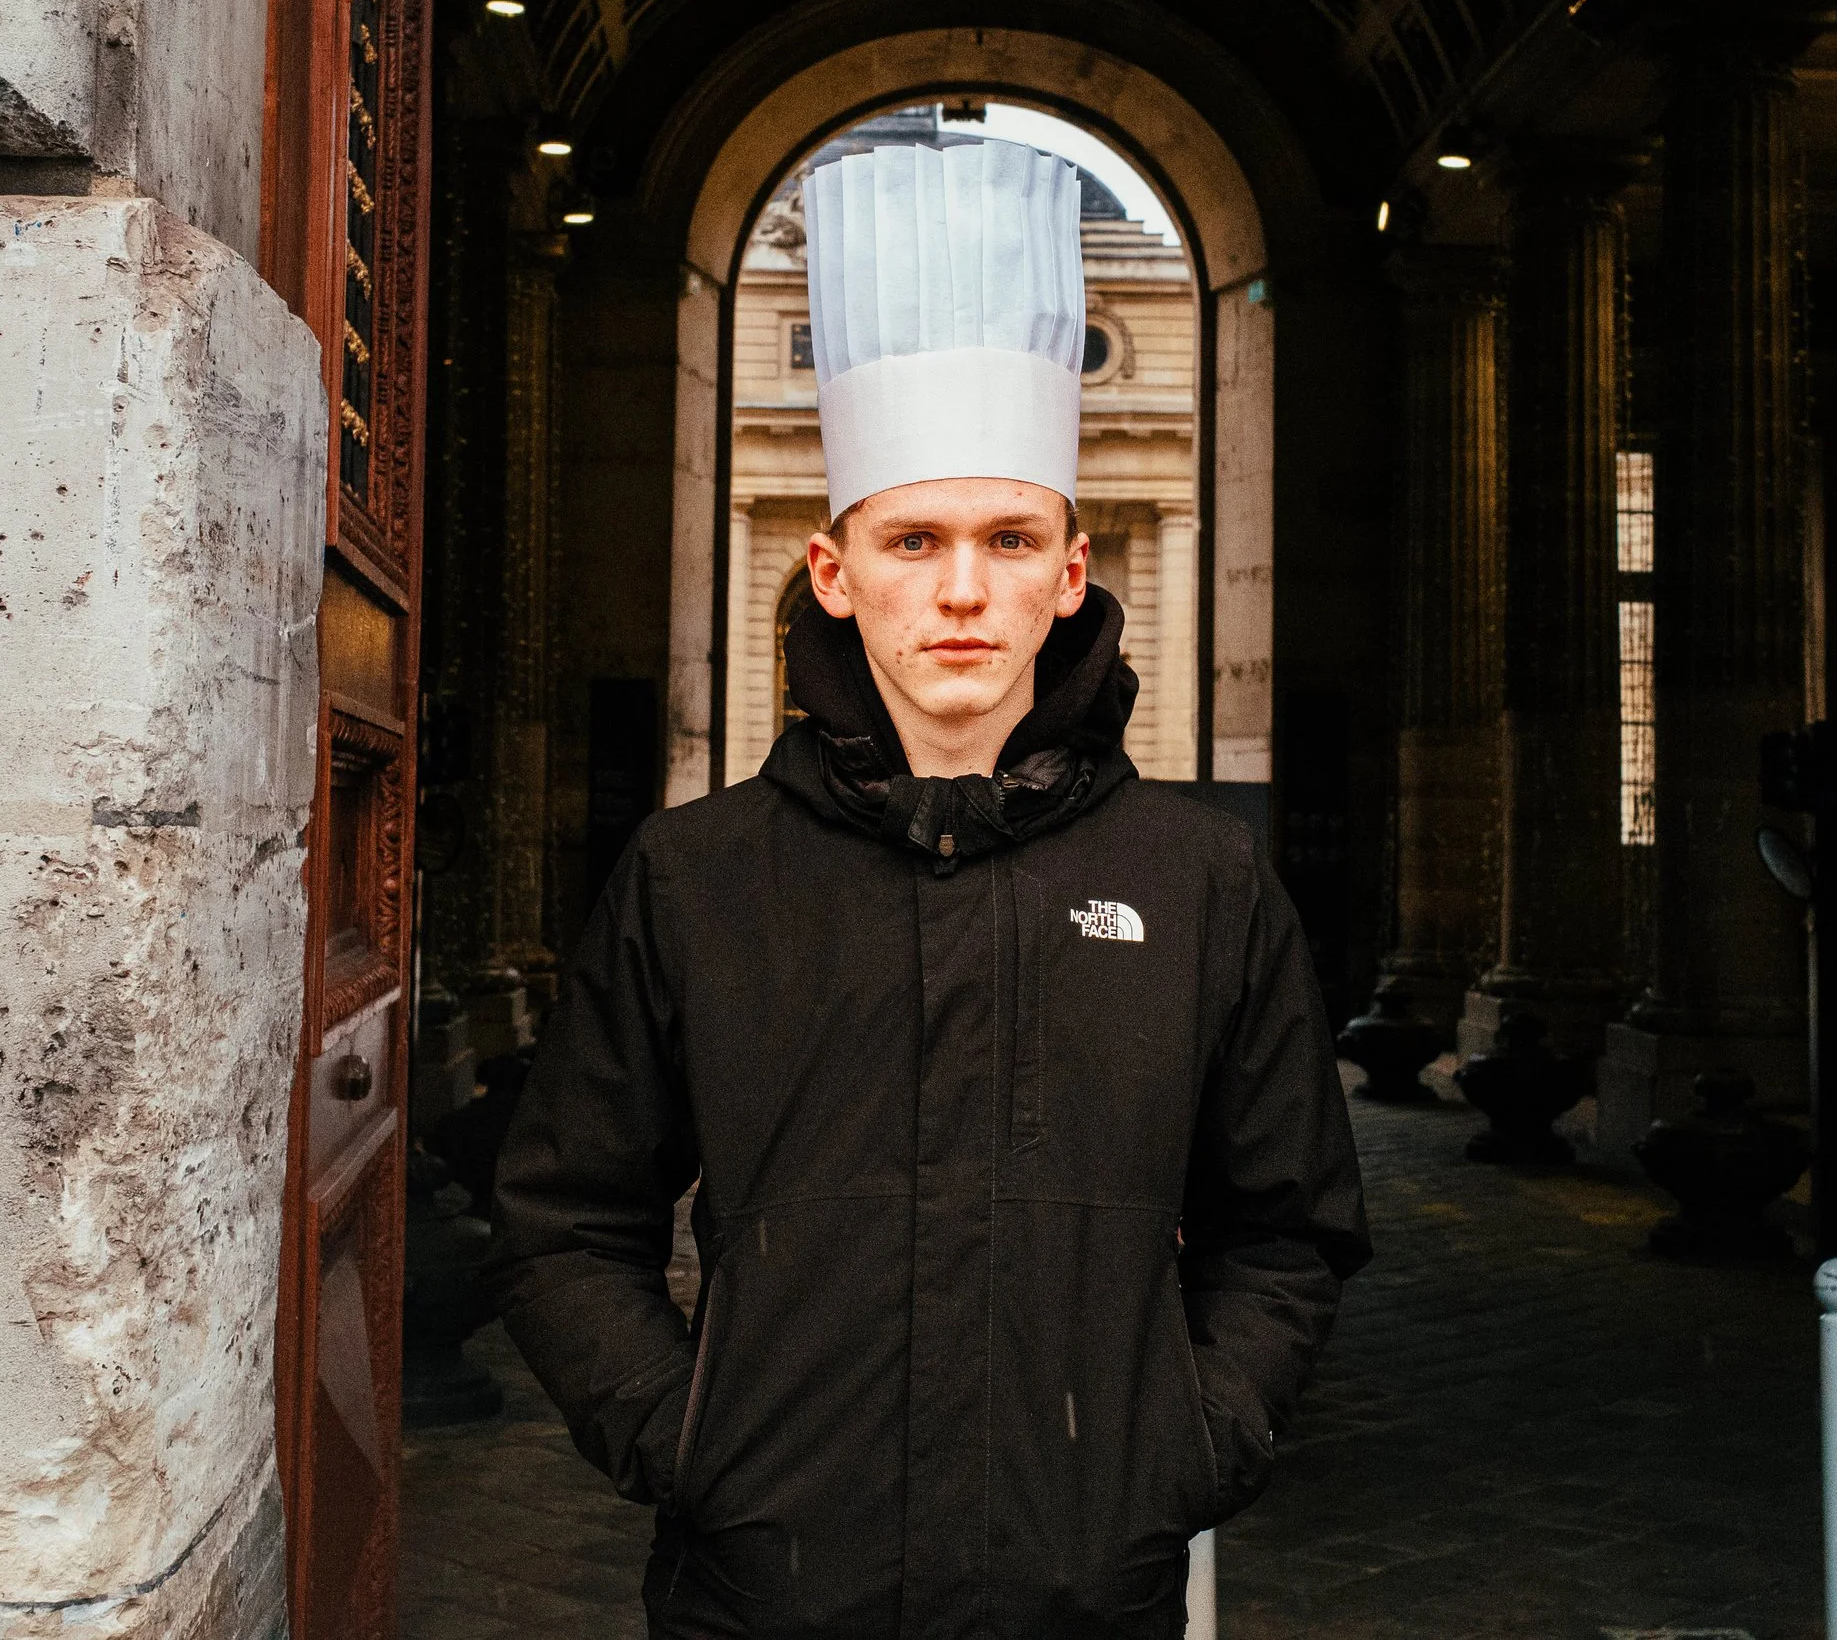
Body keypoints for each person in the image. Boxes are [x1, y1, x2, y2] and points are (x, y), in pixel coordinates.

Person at [490, 137, 1368, 1640]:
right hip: (759, 1596)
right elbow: (565, 1215)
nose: (961, 590)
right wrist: (685, 1436)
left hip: (1086, 1593)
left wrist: (1187, 1443)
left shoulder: (1203, 882)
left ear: (1071, 571)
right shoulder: (694, 879)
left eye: (1007, 540)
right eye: (915, 541)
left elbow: (1285, 1227)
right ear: (835, 570)